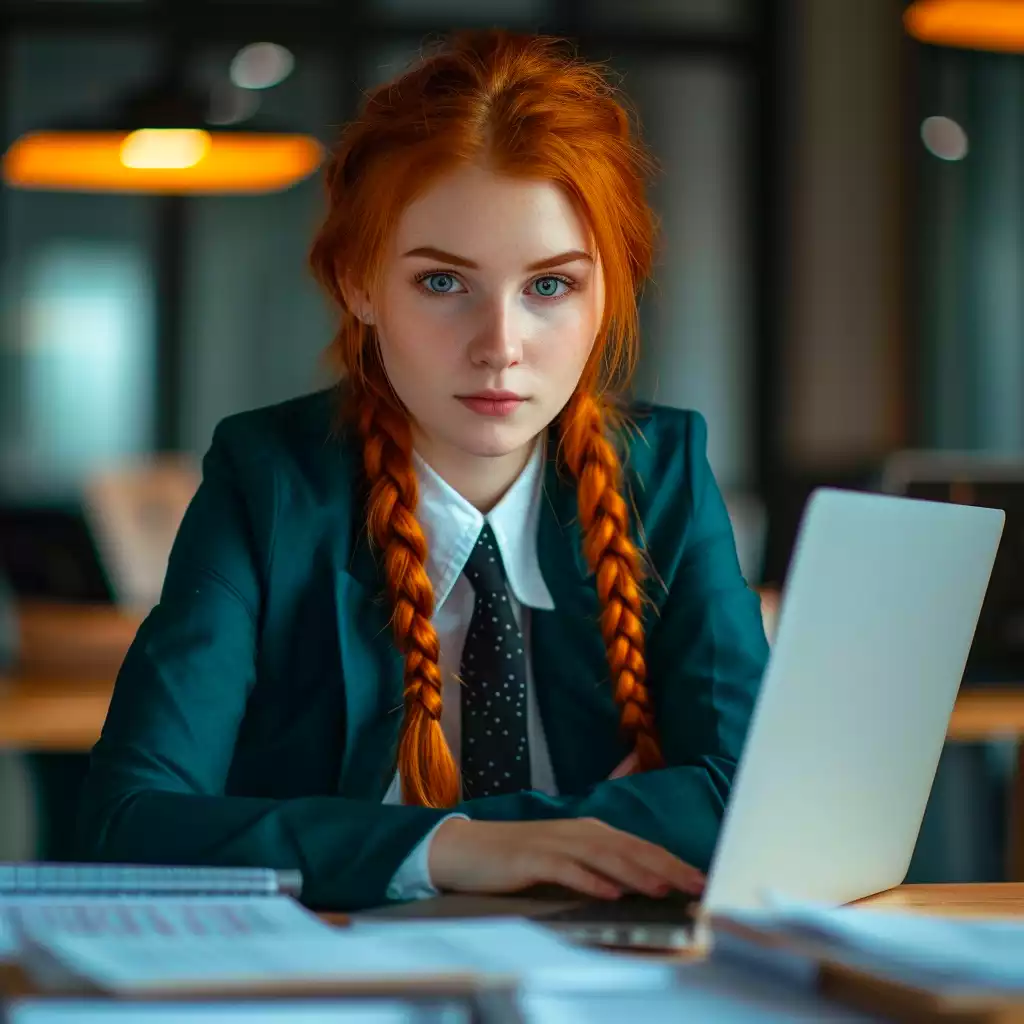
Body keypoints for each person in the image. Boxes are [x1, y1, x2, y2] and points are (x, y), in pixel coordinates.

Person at [77, 29, 769, 912]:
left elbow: (760, 802)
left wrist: (496, 838)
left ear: (611, 293)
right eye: (443, 284)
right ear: (359, 283)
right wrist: (455, 849)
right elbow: (128, 827)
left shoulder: (661, 474)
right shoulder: (270, 483)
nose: (500, 349)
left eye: (550, 287)